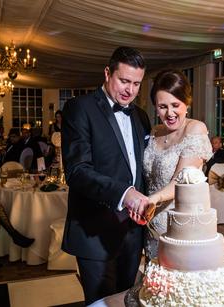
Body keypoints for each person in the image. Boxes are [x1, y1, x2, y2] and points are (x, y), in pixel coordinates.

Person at [61, 46, 151, 305]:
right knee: (100, 302)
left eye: (136, 84)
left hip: (133, 233)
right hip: (95, 230)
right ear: (107, 73)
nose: (130, 90)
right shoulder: (80, 108)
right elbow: (77, 171)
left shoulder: (140, 115)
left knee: (127, 299)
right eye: (124, 80)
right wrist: (125, 194)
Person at [143, 69, 212, 261]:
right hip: (150, 224)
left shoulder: (195, 129)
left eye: (175, 105)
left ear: (186, 103)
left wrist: (152, 199)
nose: (170, 113)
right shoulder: (155, 131)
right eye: (162, 106)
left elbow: (180, 180)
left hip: (179, 227)